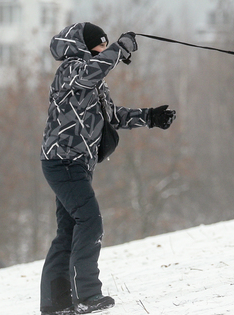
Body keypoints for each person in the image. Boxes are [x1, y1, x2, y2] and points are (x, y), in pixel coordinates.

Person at [39, 22, 177, 315]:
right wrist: (119, 48)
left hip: (76, 164)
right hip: (62, 162)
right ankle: (87, 295)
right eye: (99, 46)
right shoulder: (71, 70)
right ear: (84, 47)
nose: (102, 51)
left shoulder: (92, 80)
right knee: (90, 222)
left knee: (69, 230)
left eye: (104, 46)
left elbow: (112, 116)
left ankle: (56, 303)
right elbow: (93, 71)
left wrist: (150, 117)